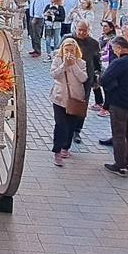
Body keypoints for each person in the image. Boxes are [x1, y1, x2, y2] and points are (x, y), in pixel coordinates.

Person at [98, 38, 128, 177]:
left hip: (120, 104)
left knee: (119, 134)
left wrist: (112, 86)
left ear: (119, 48)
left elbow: (104, 79)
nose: (113, 52)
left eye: (114, 49)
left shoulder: (119, 62)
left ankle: (120, 165)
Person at [48, 38, 88, 166]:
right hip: (59, 98)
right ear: (62, 50)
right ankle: (57, 151)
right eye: (66, 50)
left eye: (72, 50)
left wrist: (74, 65)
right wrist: (64, 65)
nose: (69, 52)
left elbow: (83, 78)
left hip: (74, 98)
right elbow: (54, 74)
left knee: (71, 125)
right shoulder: (57, 60)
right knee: (60, 125)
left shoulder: (81, 63)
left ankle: (66, 147)